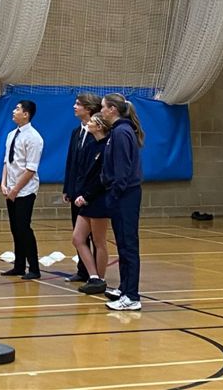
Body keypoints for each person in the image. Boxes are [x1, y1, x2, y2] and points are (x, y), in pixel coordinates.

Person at [100, 92, 145, 311]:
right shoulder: (117, 132)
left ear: (112, 110)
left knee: (128, 246)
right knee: (123, 245)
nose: (100, 111)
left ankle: (132, 296)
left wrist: (114, 194)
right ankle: (125, 287)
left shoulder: (121, 133)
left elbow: (123, 170)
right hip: (122, 194)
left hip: (126, 195)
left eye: (103, 107)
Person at [0, 100, 44, 280]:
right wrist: (4, 184)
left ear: (26, 114)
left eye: (17, 109)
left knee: (23, 227)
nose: (14, 111)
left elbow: (30, 169)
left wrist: (16, 189)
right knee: (15, 228)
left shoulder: (34, 138)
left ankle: (34, 268)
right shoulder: (11, 134)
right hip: (10, 188)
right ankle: (19, 266)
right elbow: (7, 162)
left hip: (25, 190)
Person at [62, 92, 102, 283]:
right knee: (78, 233)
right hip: (76, 191)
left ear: (88, 109)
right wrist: (68, 189)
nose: (74, 107)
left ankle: (96, 273)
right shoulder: (75, 133)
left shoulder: (98, 134)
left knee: (95, 236)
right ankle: (83, 270)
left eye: (78, 104)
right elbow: (71, 162)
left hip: (92, 193)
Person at [72, 112, 113, 296]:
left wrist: (87, 195)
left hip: (99, 199)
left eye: (92, 121)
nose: (88, 123)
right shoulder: (91, 146)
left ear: (101, 126)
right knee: (78, 239)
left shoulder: (107, 148)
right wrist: (79, 193)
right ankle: (93, 276)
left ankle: (100, 279)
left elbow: (102, 179)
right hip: (86, 199)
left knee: (99, 241)